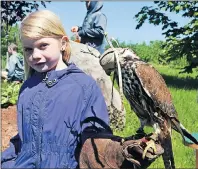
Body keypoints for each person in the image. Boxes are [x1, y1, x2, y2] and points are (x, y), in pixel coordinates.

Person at [1, 10, 163, 168]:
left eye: (43, 46)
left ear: (63, 43)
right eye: (28, 49)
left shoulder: (83, 86)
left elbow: (95, 138)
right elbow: (25, 137)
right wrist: (6, 161)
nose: (34, 55)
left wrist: (112, 151)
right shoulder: (27, 87)